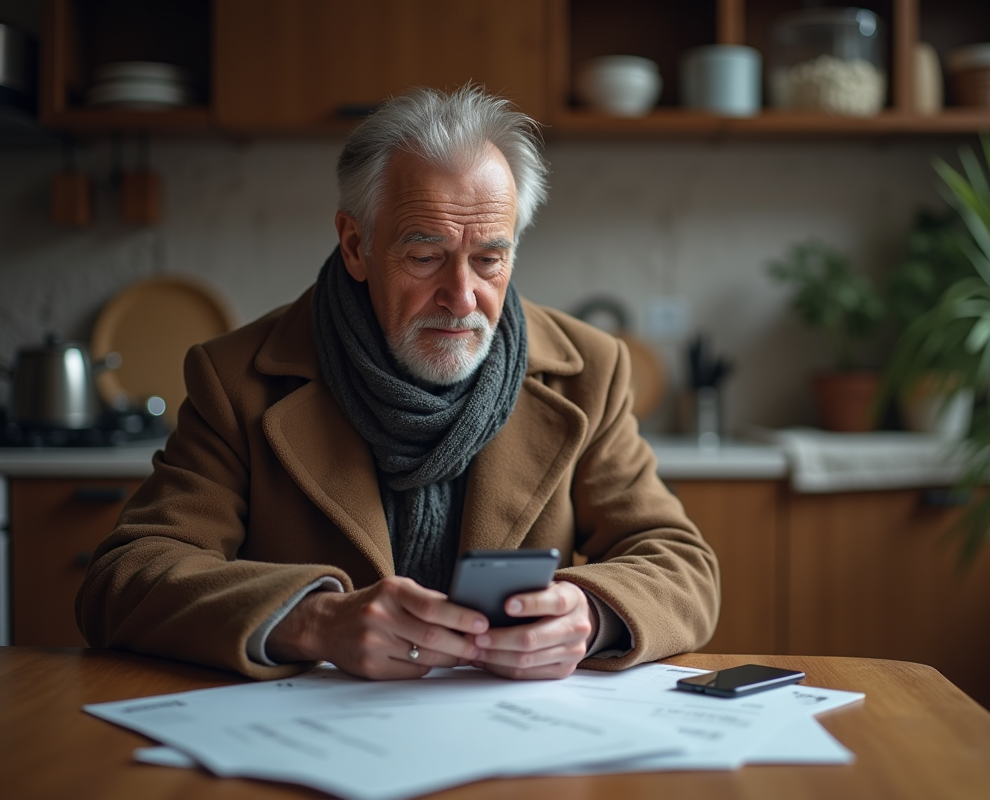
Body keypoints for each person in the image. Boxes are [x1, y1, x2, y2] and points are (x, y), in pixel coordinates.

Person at [76, 86, 719, 681]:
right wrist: (311, 621)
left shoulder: (591, 368)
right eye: (424, 256)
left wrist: (590, 614)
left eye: (490, 259)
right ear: (355, 245)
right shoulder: (236, 378)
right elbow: (123, 579)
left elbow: (682, 565)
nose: (461, 297)